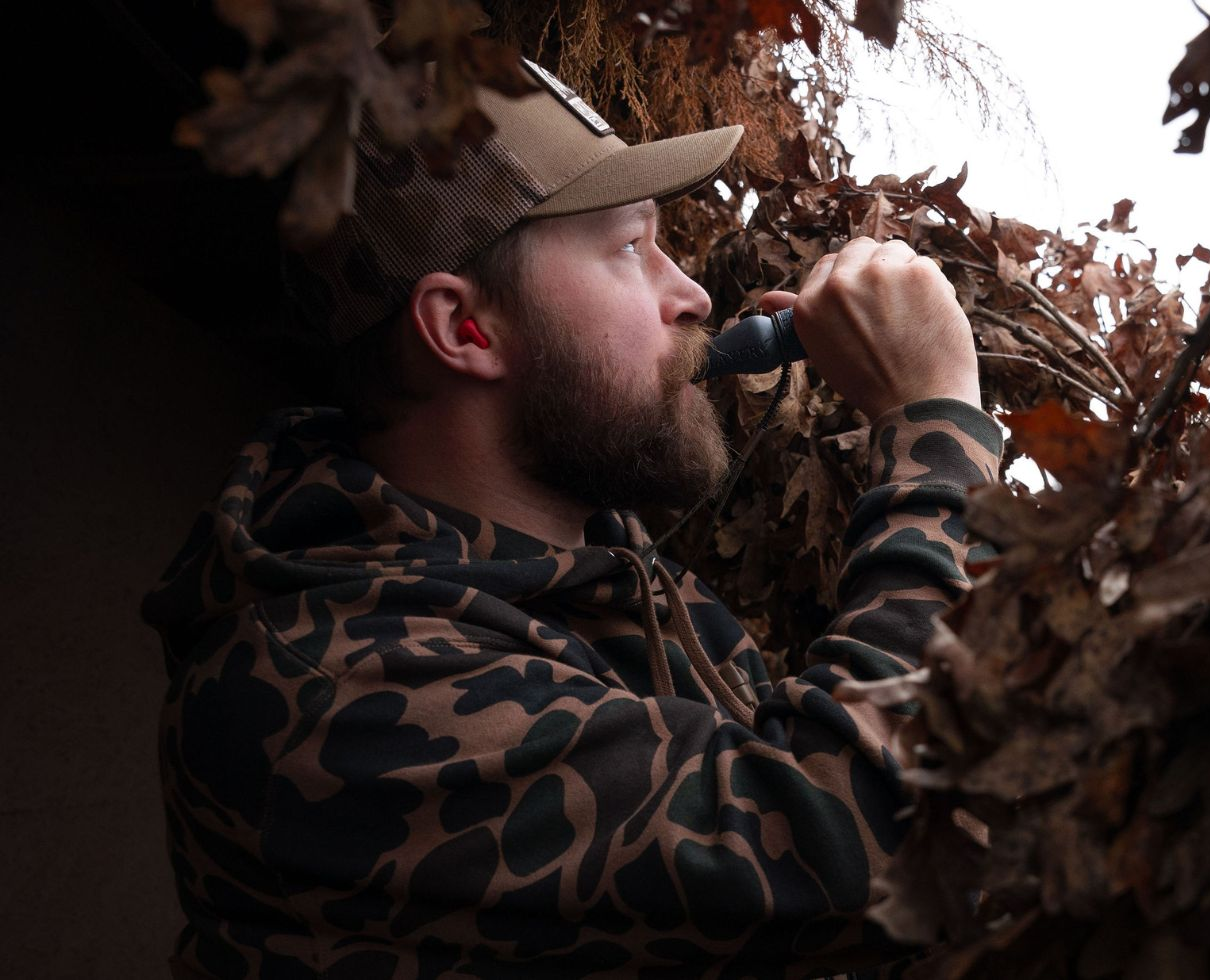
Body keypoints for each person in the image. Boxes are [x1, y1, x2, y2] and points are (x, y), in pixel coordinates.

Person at [141, 57, 999, 979]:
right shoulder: (332, 690)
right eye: (631, 247)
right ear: (466, 329)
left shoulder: (626, 587)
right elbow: (869, 844)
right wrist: (935, 424)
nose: (693, 296)